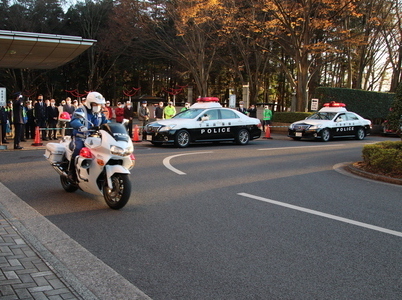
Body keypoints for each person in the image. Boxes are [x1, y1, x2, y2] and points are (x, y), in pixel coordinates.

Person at [68, 92, 107, 181]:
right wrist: (80, 126)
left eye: (99, 104)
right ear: (89, 103)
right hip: (81, 136)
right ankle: (72, 172)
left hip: (95, 138)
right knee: (78, 148)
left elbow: (106, 122)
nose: (98, 106)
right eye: (95, 104)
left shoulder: (99, 113)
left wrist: (114, 126)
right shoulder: (81, 110)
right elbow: (74, 121)